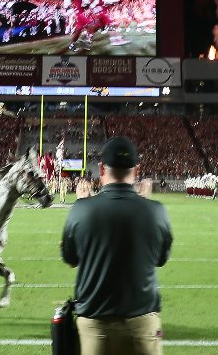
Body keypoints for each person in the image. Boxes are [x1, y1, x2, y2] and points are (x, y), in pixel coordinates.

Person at [61, 137, 172, 355]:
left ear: (101, 168)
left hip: (94, 325)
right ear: (137, 170)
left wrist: (83, 205)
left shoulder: (81, 209)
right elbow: (161, 258)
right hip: (142, 325)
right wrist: (145, 208)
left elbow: (70, 258)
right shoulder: (156, 211)